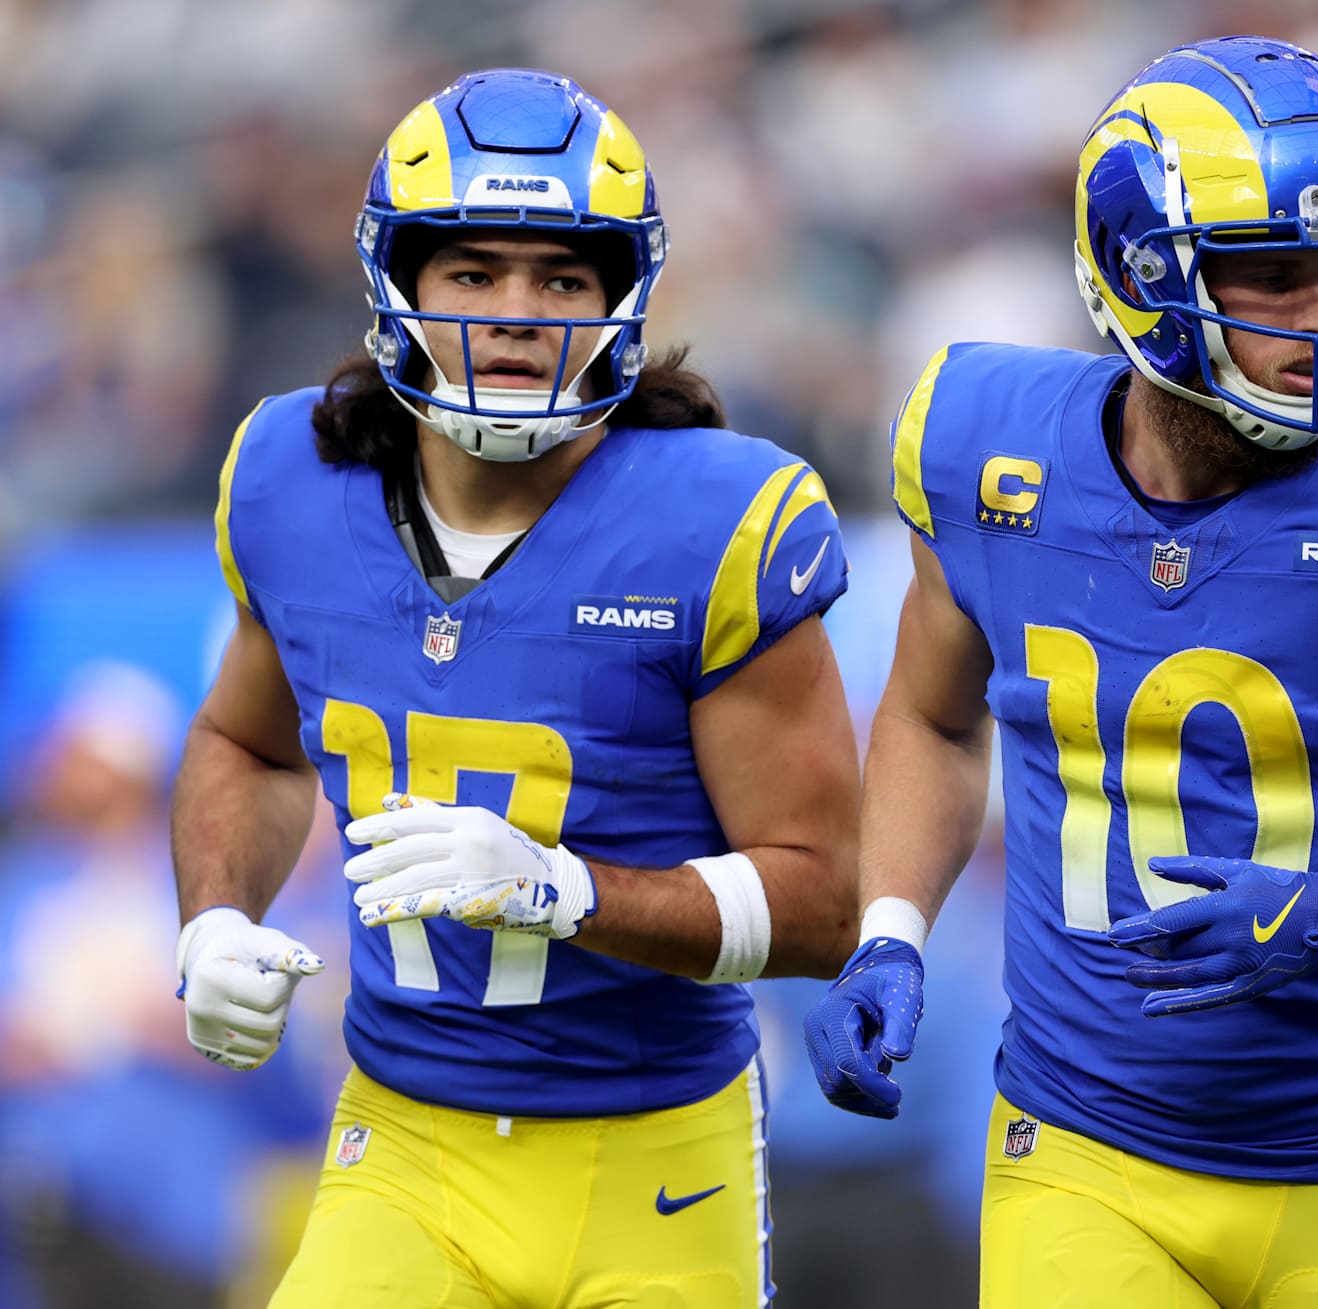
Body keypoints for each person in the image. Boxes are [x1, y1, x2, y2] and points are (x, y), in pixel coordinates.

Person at [805, 35, 1318, 1308]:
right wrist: (892, 930)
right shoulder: (987, 454)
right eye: (1274, 280)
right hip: (1080, 1150)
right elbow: (929, 713)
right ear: (1141, 277)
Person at [171, 68, 860, 1308]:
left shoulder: (713, 517)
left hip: (656, 1157)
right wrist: (216, 912)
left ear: (620, 299)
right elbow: (252, 746)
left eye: (561, 276)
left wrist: (568, 889)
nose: (516, 312)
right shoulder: (287, 477)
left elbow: (821, 904)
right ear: (402, 285)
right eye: (474, 272)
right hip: (405, 1145)